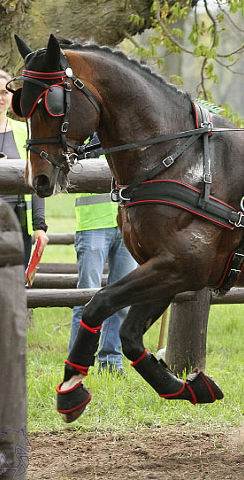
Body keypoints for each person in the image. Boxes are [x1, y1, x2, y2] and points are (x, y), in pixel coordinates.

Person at [68, 140, 137, 374]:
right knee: (86, 297)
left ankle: (111, 363)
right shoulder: (83, 139)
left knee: (122, 299)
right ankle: (77, 363)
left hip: (127, 224)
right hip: (93, 225)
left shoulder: (124, 134)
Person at [0, 69, 49, 265]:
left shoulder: (25, 130)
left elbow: (38, 179)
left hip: (19, 225)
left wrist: (39, 227)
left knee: (16, 280)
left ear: (12, 97)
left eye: (4, 92)